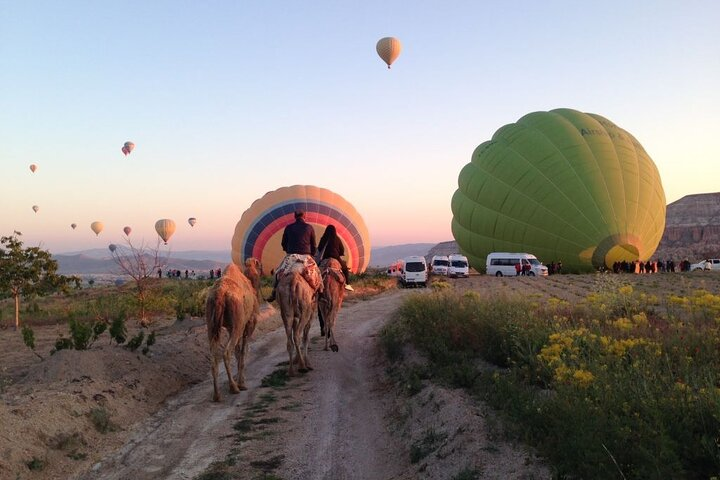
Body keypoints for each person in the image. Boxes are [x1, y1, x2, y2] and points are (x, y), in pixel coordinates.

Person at [266, 210, 317, 302]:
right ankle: (319, 291)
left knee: (278, 273)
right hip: (306, 256)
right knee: (317, 273)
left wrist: (288, 250)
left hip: (291, 256)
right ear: (304, 216)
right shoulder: (309, 227)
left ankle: (273, 293)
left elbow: (283, 243)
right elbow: (313, 244)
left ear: (294, 216)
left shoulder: (288, 227)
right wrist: (312, 254)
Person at [317, 224, 353, 291]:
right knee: (345, 269)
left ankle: (317, 284)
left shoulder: (323, 238)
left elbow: (319, 248)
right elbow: (342, 249)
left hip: (326, 257)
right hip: (336, 257)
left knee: (317, 268)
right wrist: (340, 253)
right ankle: (347, 284)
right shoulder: (337, 238)